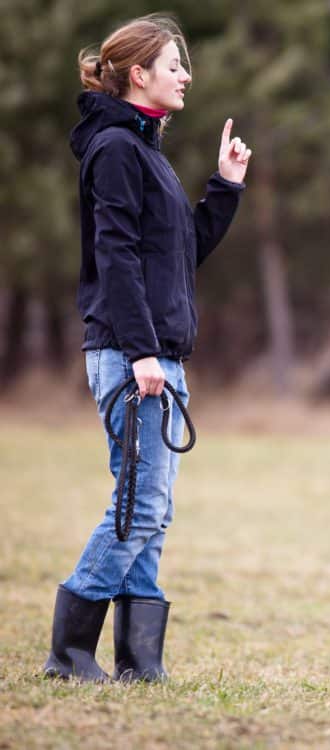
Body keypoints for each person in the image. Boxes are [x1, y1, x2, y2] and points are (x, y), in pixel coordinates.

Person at [43, 14, 251, 682]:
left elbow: (178, 254)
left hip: (157, 357)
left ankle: (139, 660)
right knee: (141, 506)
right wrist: (140, 354)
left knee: (152, 513)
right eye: (174, 65)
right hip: (135, 357)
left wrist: (224, 187)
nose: (186, 75)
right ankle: (68, 652)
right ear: (140, 74)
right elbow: (117, 257)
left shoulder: (145, 152)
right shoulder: (114, 151)